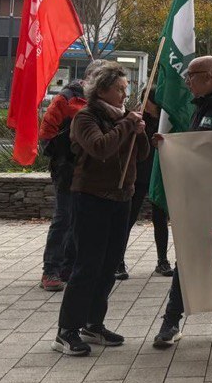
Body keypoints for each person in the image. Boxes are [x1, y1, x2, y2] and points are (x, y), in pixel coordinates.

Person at [52, 63, 149, 356]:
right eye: (119, 88)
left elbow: (141, 155)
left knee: (109, 265)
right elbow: (100, 147)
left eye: (125, 88)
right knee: (88, 265)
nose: (124, 93)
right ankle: (66, 330)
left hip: (122, 197)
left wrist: (140, 132)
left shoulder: (123, 118)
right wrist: (126, 126)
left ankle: (94, 323)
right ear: (103, 89)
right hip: (92, 197)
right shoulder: (86, 116)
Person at [152, 56, 212, 349]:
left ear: (208, 76)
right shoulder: (203, 106)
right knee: (189, 261)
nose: (187, 82)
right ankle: (171, 321)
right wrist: (172, 147)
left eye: (191, 76)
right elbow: (198, 147)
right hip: (198, 200)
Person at [39, 60, 109, 292]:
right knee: (64, 218)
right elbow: (46, 134)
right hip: (68, 169)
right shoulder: (67, 98)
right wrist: (67, 149)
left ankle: (69, 267)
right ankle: (51, 269)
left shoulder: (104, 103)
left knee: (82, 220)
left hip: (93, 170)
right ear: (89, 78)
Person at [115, 90, 172, 280]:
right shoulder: (137, 120)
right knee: (128, 218)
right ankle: (118, 261)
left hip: (159, 176)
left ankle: (162, 260)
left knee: (160, 219)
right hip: (139, 176)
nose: (144, 103)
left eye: (148, 100)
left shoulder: (166, 120)